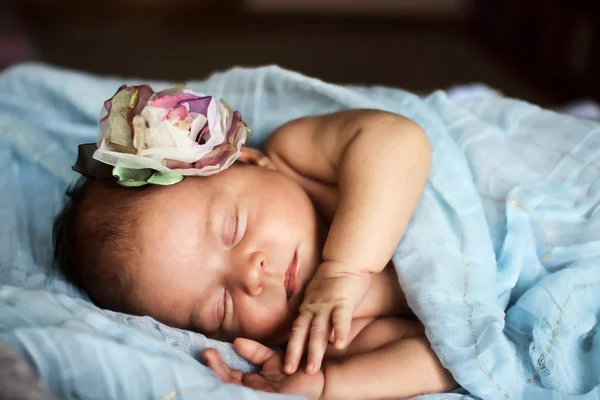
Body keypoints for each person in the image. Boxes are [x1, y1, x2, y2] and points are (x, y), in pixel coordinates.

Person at [54, 109, 456, 399]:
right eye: (220, 306)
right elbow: (447, 358)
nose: (251, 275)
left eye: (234, 228)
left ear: (248, 162)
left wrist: (346, 270)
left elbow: (398, 140)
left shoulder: (296, 158)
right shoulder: (328, 336)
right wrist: (326, 386)